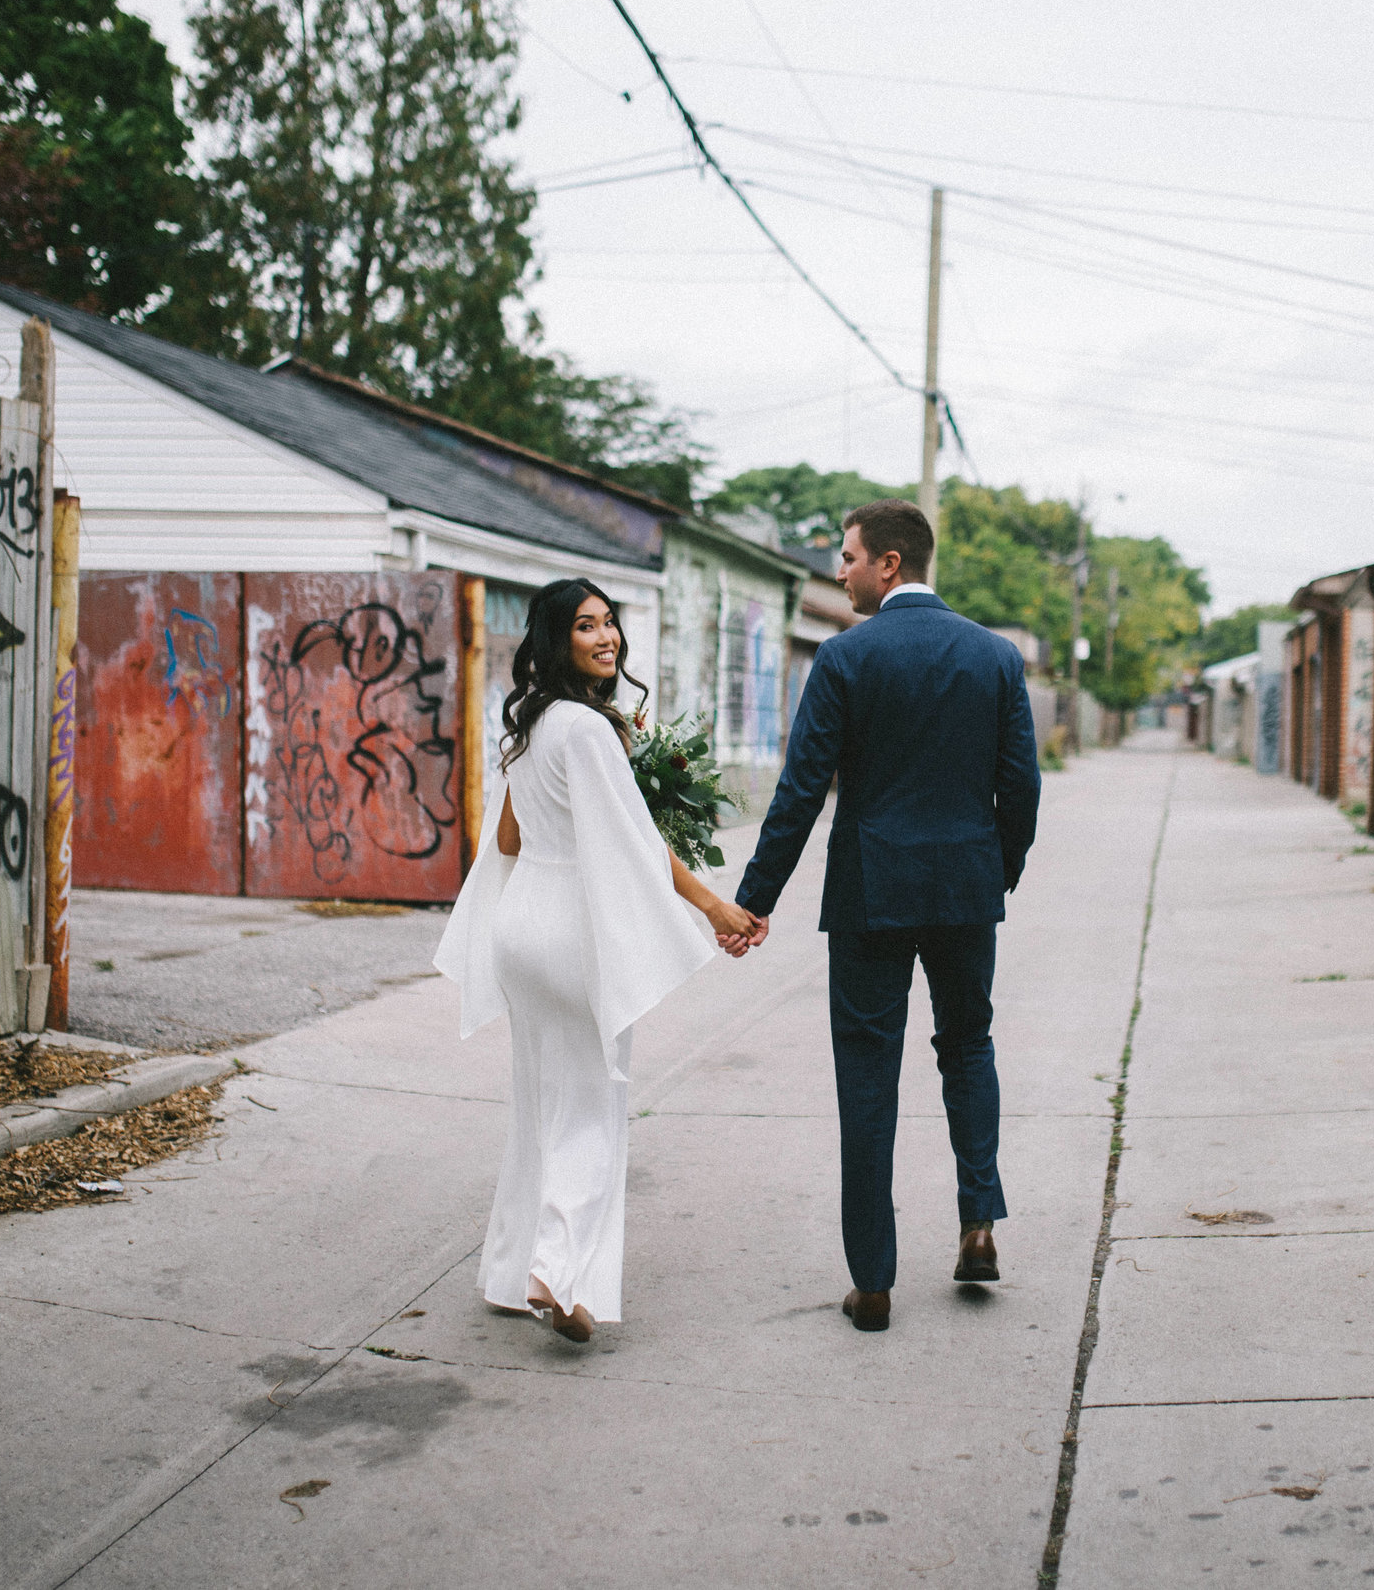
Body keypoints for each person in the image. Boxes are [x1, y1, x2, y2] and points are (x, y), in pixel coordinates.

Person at [728, 500, 1041, 1333]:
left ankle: (872, 1283)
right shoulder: (996, 658)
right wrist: (991, 873)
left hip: (871, 894)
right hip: (965, 890)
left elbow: (800, 794)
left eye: (849, 556)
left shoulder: (844, 659)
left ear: (890, 563)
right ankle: (978, 1221)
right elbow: (1023, 790)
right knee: (968, 1045)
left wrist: (752, 900)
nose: (840, 571)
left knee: (868, 1074)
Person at [433, 578, 759, 1344]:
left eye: (610, 622)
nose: (606, 636)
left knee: (541, 1105)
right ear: (557, 641)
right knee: (592, 1109)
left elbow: (509, 843)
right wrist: (713, 907)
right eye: (586, 626)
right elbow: (638, 848)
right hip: (573, 930)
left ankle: (511, 1273)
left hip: (522, 926)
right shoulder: (587, 730)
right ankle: (558, 1272)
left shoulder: (532, 727)